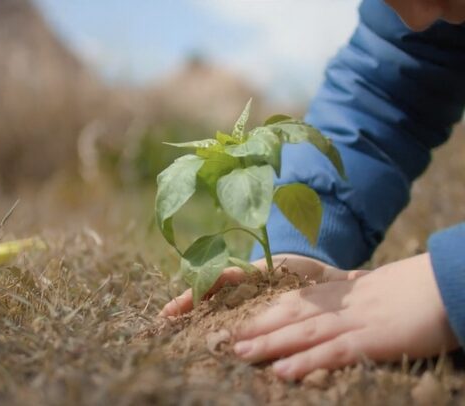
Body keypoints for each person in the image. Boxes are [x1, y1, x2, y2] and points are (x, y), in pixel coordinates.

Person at [159, 0, 465, 381]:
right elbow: (384, 90)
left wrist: (450, 281)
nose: (417, 18)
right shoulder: (421, 18)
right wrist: (297, 248)